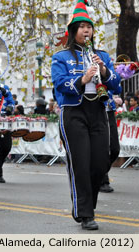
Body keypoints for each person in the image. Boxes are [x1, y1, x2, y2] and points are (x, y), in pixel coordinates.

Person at [51, 0, 121, 230]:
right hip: (74, 112)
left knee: (100, 163)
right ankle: (85, 212)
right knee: (81, 163)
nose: (86, 30)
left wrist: (103, 70)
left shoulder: (101, 55)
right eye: (81, 26)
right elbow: (59, 84)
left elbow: (117, 86)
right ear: (73, 31)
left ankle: (85, 205)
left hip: (98, 111)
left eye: (88, 26)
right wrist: (82, 79)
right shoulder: (61, 57)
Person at [0, 83, 15, 183]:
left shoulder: (4, 88)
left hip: (5, 121)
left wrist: (10, 108)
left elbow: (11, 102)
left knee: (6, 147)